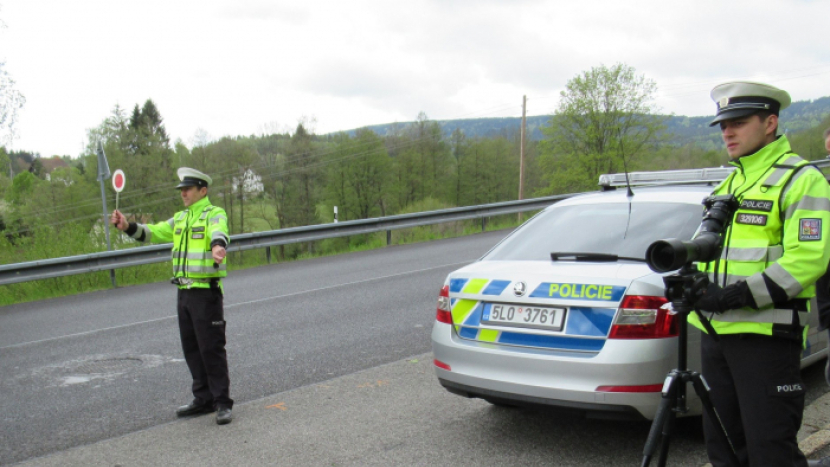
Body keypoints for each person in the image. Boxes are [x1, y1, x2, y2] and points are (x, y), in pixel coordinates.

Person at [689, 82, 830, 466]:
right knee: (724, 449)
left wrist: (737, 295)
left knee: (770, 452)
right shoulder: (730, 182)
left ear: (770, 123)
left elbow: (808, 259)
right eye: (723, 125)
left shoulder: (801, 179)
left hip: (766, 339)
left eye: (738, 122)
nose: (727, 132)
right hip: (715, 335)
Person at [111, 167, 234, 425]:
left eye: (188, 189)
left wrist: (218, 246)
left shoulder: (214, 213)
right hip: (184, 293)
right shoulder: (180, 218)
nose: (183, 194)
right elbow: (153, 232)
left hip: (206, 293)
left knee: (211, 348)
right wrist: (127, 226)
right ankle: (203, 399)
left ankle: (222, 402)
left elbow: (219, 231)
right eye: (181, 190)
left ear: (203, 190)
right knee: (192, 349)